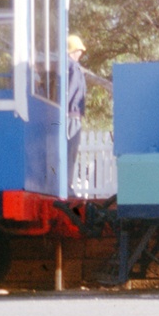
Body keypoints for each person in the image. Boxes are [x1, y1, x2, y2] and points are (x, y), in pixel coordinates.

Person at [66, 35, 87, 197]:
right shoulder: (72, 67)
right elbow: (70, 90)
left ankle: (67, 185)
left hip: (72, 114)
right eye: (78, 50)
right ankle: (66, 186)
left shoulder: (71, 66)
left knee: (70, 152)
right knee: (70, 151)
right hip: (71, 116)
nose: (80, 53)